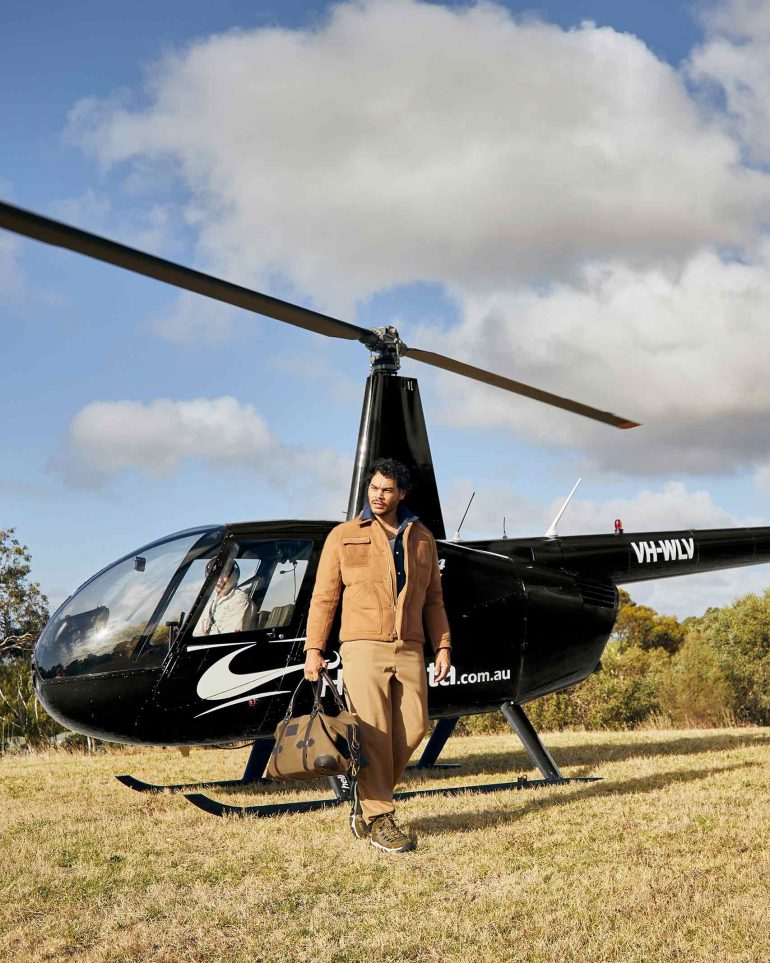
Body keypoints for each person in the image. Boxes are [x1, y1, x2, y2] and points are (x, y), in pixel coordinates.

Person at [304, 458, 452, 853]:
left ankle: (366, 798)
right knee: (372, 732)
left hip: (410, 644)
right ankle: (380, 816)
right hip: (362, 645)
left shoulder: (422, 537)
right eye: (374, 488)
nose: (378, 495)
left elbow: (433, 599)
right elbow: (325, 596)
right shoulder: (345, 535)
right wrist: (314, 649)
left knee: (415, 725)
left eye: (387, 490)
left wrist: (443, 645)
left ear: (401, 493)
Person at [196, 562, 256, 635]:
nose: (219, 580)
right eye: (216, 575)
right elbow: (198, 634)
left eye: (224, 574)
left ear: (234, 576)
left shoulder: (240, 602)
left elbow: (229, 640)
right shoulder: (211, 605)